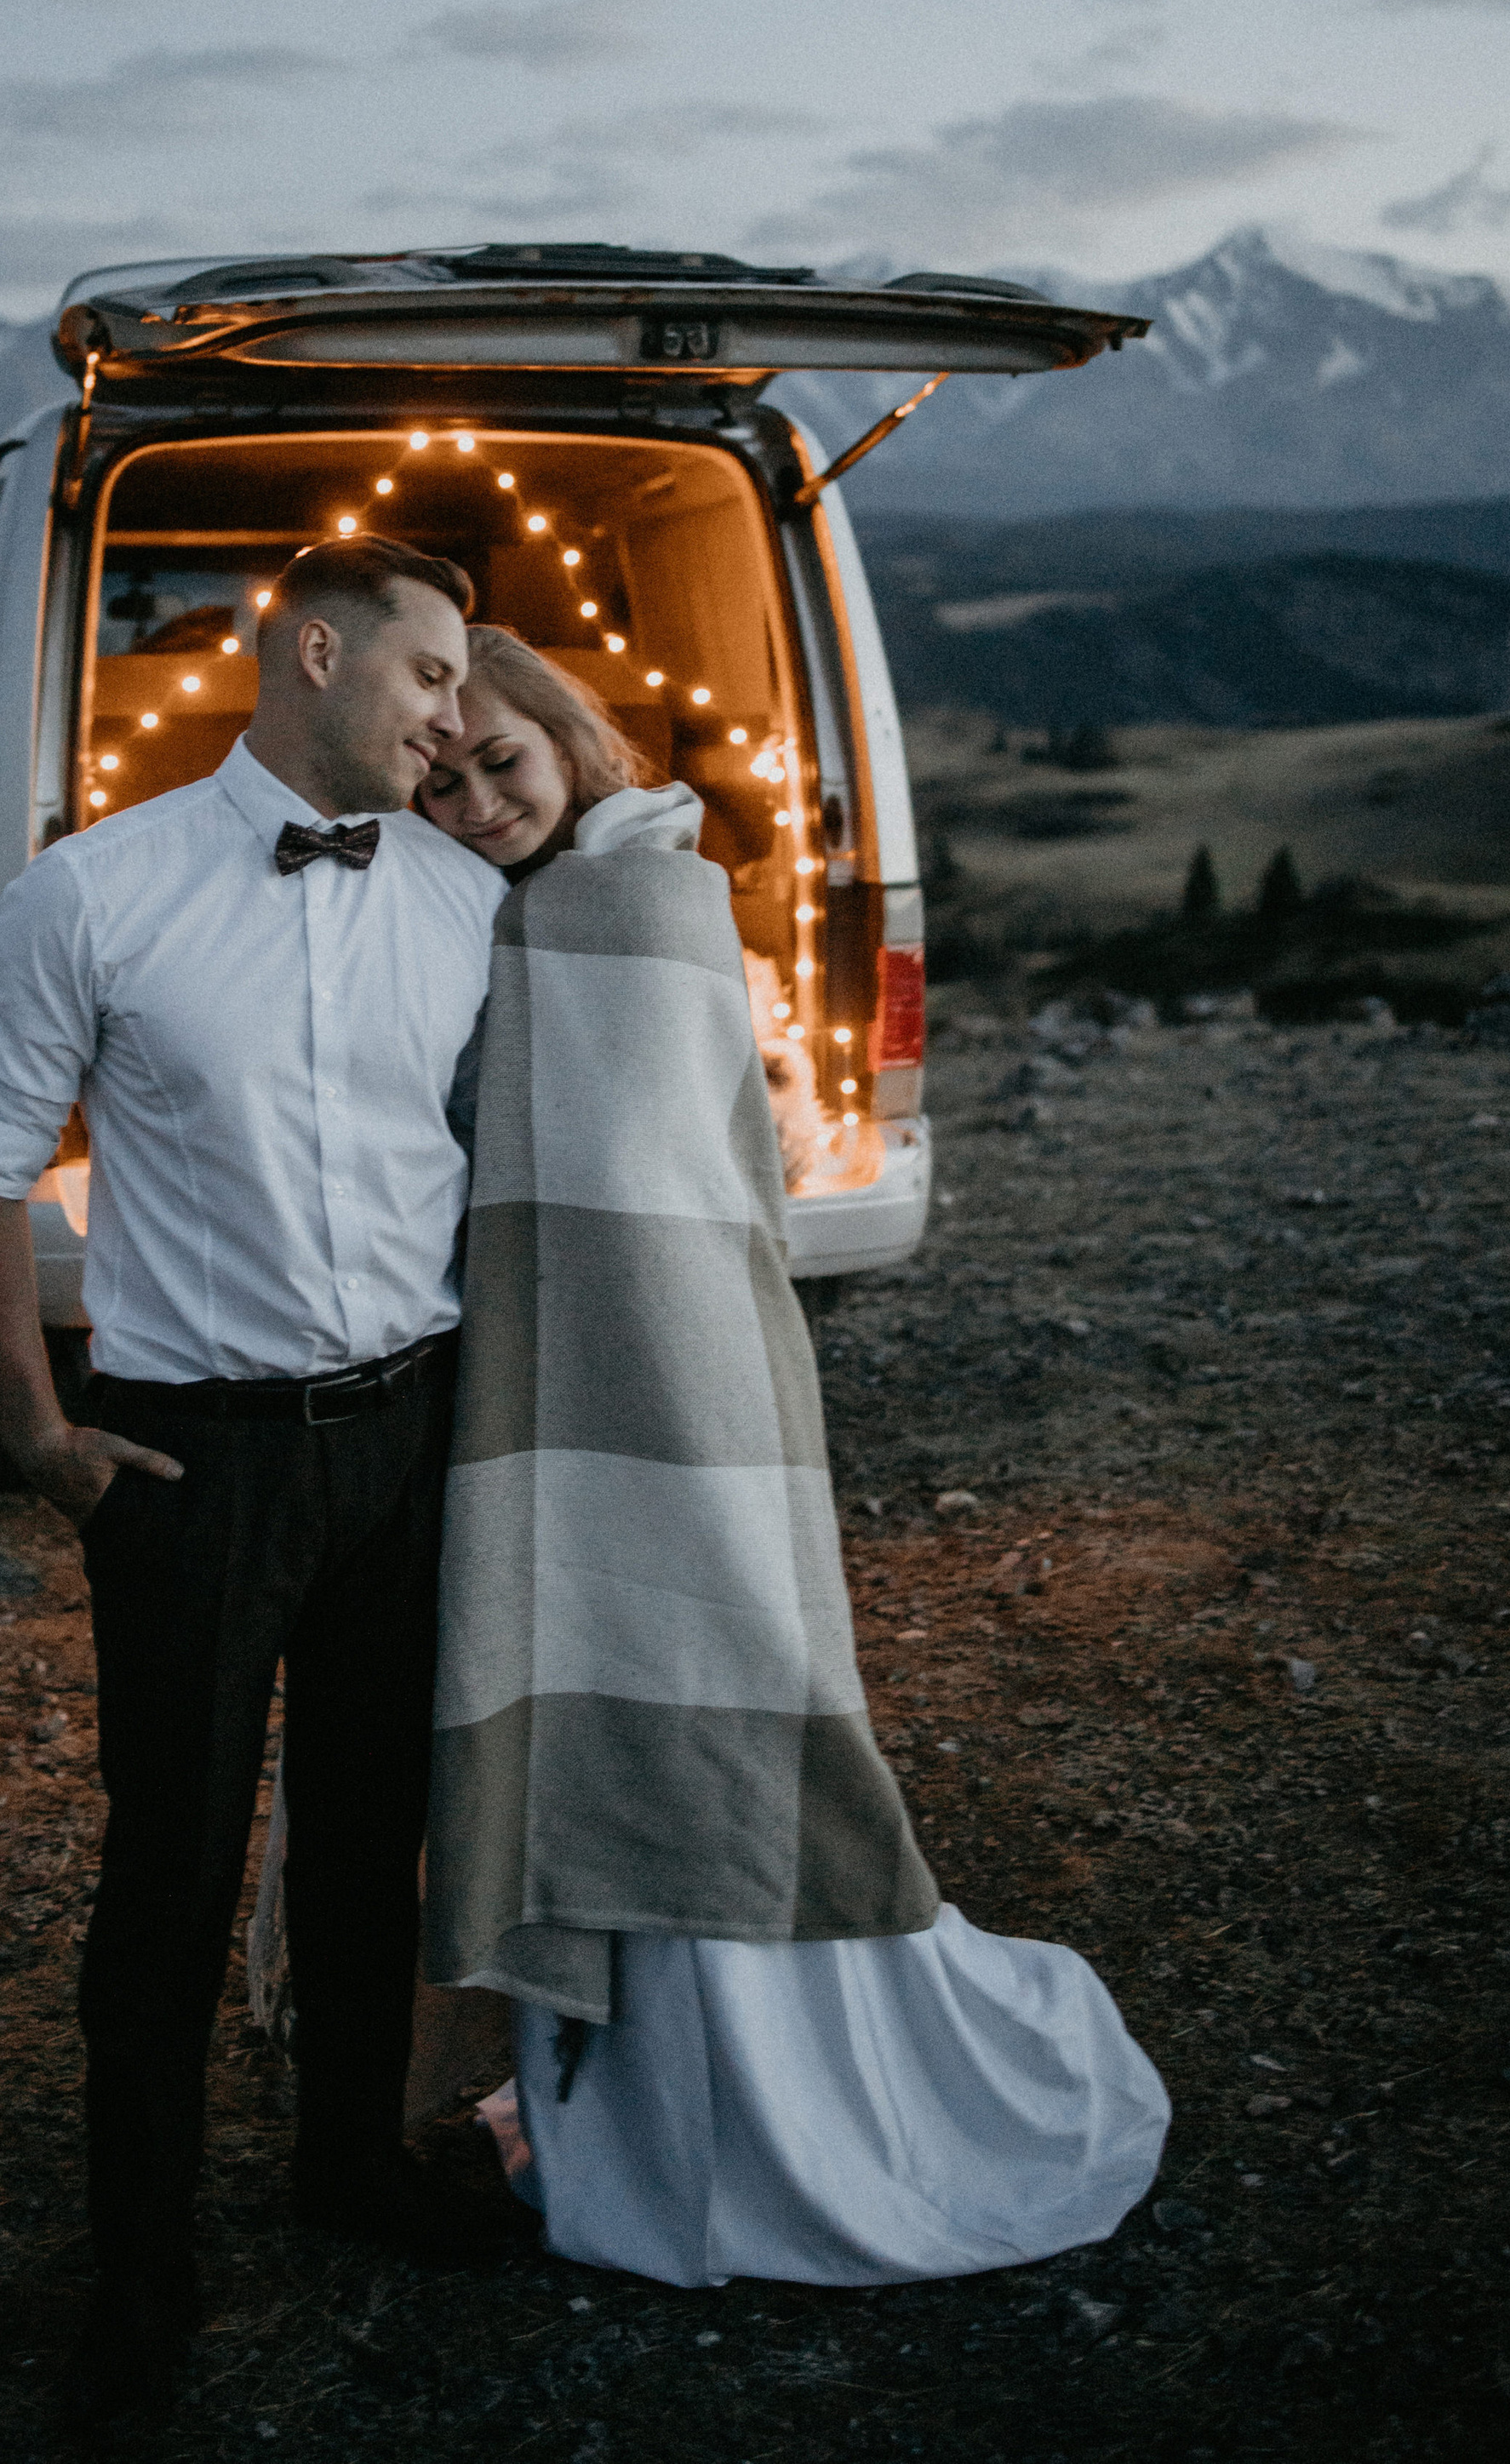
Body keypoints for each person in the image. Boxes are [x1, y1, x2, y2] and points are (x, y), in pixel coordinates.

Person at [415, 627, 1170, 2291]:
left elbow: (645, 1202)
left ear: (567, 740)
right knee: (591, 1696)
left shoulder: (636, 899)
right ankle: (597, 2086)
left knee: (686, 1692)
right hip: (571, 1406)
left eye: (500, 763)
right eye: (437, 776)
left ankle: (717, 2115)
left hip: (669, 1411)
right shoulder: (497, 907)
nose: (472, 798)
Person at [0, 539, 512, 2421]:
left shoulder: (461, 896)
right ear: (318, 654)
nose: (450, 717)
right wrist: (34, 1433)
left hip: (406, 1441)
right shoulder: (91, 893)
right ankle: (139, 2265)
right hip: (197, 1463)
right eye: (427, 675)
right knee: (166, 1875)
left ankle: (346, 2165)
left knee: (364, 1849)